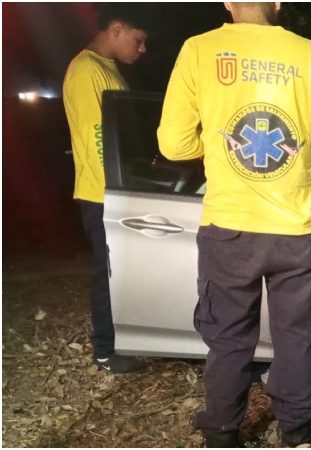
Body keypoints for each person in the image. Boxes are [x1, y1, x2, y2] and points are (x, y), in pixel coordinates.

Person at [157, 2, 311, 447]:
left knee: (228, 339)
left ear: (226, 1)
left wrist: (211, 143)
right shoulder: (308, 53)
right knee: (297, 337)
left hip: (230, 227)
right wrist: (303, 140)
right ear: (279, 1)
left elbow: (172, 143)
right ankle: (300, 430)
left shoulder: (198, 50)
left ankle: (223, 434)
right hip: (297, 230)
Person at [63, 3, 150, 374]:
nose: (143, 48)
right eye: (140, 39)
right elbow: (98, 136)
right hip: (103, 193)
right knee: (109, 271)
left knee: (123, 270)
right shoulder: (87, 71)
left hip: (114, 188)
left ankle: (129, 337)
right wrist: (119, 189)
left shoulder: (106, 69)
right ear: (117, 28)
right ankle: (105, 349)